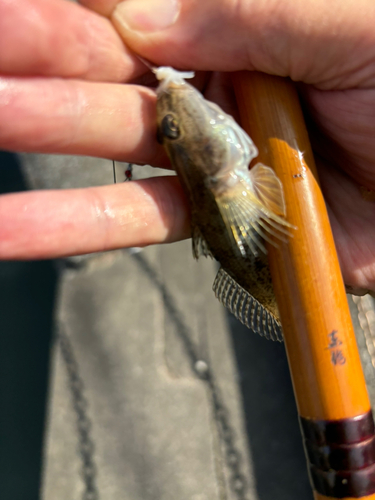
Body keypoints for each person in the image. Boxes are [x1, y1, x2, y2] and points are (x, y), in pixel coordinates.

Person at [1, 0, 375, 294]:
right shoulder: (225, 182)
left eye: (170, 127)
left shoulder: (224, 177)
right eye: (172, 128)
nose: (170, 113)